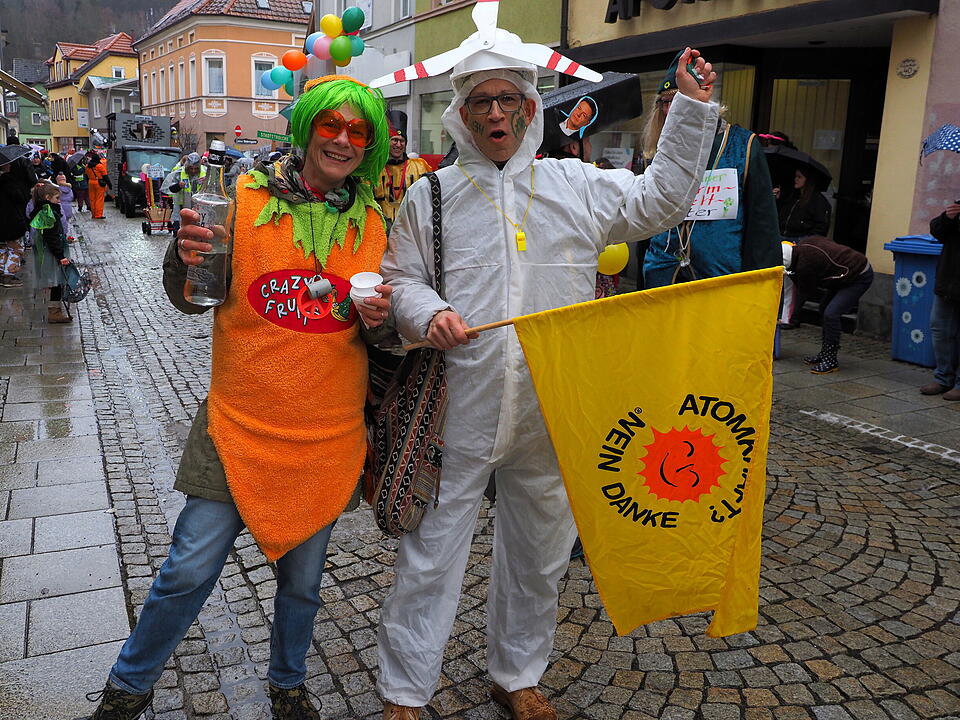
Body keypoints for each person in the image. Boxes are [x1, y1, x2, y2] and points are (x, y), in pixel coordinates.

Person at [377, 47, 718, 720]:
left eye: (510, 100)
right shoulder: (433, 195)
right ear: (462, 114)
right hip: (459, 407)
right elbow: (400, 279)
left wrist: (693, 110)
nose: (497, 112)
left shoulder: (575, 185)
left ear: (532, 110)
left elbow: (664, 198)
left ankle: (517, 673)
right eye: (483, 102)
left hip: (554, 407)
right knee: (431, 557)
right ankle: (405, 692)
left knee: (540, 555)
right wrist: (428, 312)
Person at [83, 75, 394, 720]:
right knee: (188, 567)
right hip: (238, 422)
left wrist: (387, 320)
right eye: (330, 125)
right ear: (306, 128)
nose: (341, 140)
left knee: (304, 586)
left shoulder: (376, 226)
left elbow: (384, 333)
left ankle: (288, 685)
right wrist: (184, 256)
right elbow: (191, 295)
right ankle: (127, 687)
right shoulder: (242, 200)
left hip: (327, 434)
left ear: (369, 145)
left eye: (357, 131)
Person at [642, 51, 781, 288]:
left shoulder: (742, 145)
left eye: (682, 99)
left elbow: (763, 227)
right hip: (663, 275)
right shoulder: (655, 153)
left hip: (720, 279)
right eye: (669, 102)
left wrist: (763, 294)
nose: (675, 109)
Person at [782, 236, 873, 374]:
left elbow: (806, 291)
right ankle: (825, 353)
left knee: (831, 313)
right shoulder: (804, 243)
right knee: (824, 308)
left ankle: (831, 360)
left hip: (858, 275)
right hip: (841, 274)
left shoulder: (804, 265)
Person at [920, 200, 960, 399]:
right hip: (948, 281)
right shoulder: (957, 208)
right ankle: (943, 378)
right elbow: (937, 232)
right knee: (940, 330)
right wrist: (948, 218)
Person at [374, 111, 431, 232]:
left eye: (402, 141)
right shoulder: (375, 169)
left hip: (410, 230)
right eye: (394, 140)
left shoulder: (419, 167)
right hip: (380, 231)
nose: (398, 145)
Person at [27, 181, 72, 323]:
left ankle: (55, 310)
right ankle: (54, 312)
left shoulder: (45, 209)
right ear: (47, 197)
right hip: (52, 251)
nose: (59, 201)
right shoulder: (48, 212)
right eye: (57, 198)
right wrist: (60, 256)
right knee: (57, 280)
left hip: (50, 249)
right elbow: (51, 236)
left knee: (57, 280)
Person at [0, 150, 37, 287]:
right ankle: (9, 275)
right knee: (16, 248)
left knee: (2, 248)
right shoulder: (9, 181)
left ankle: (1, 272)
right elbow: (20, 198)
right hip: (10, 221)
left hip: (3, 222)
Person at [160, 152, 206, 235]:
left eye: (195, 169)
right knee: (179, 229)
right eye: (191, 168)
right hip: (181, 205)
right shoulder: (179, 173)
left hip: (199, 205)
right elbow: (170, 188)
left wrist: (205, 183)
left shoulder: (205, 172)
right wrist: (178, 186)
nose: (193, 171)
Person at [778, 167, 831, 239]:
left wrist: (803, 241)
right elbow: (782, 217)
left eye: (799, 177)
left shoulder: (818, 201)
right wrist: (778, 198)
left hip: (801, 242)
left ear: (808, 180)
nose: (795, 179)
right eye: (795, 176)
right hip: (783, 237)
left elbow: (820, 228)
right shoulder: (793, 196)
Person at [85, 151, 109, 220]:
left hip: (90, 182)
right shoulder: (100, 166)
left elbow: (86, 174)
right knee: (99, 199)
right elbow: (105, 176)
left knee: (92, 199)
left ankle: (93, 214)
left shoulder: (87, 166)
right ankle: (98, 214)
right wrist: (109, 185)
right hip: (98, 183)